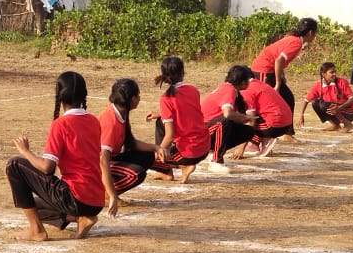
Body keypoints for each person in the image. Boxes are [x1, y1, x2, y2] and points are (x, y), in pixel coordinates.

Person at [6, 71, 113, 240]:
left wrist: (26, 152)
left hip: (75, 197)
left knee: (14, 165)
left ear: (59, 96)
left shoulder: (61, 124)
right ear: (83, 95)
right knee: (35, 206)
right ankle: (80, 218)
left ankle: (36, 230)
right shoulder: (94, 121)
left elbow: (48, 168)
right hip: (96, 201)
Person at [99, 77, 171, 197]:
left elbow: (131, 143)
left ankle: (107, 190)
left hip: (109, 159)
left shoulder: (122, 111)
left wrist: (155, 148)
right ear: (132, 99)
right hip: (96, 164)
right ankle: (103, 194)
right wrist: (112, 195)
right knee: (136, 174)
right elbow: (103, 159)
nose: (139, 98)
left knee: (147, 156)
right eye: (138, 95)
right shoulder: (110, 120)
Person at [148, 55, 208, 183]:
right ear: (183, 73)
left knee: (144, 159)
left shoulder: (166, 98)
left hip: (189, 153)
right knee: (160, 122)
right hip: (204, 148)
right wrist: (160, 113)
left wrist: (156, 154)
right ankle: (167, 171)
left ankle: (180, 167)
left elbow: (169, 137)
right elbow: (185, 110)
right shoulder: (193, 90)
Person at [250, 17, 317, 130]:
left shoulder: (294, 39)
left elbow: (278, 58)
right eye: (315, 33)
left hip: (269, 70)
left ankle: (287, 133)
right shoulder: (296, 42)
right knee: (263, 102)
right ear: (310, 33)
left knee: (288, 98)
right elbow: (278, 60)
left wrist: (281, 75)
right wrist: (278, 82)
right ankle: (255, 135)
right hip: (263, 70)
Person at [201, 65, 261, 175]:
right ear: (242, 82)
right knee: (226, 121)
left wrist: (243, 119)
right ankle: (216, 161)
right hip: (202, 132)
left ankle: (212, 152)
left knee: (248, 131)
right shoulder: (229, 90)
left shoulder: (232, 90)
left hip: (209, 129)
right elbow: (227, 114)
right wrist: (245, 118)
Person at [240, 71, 295, 157]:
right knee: (249, 113)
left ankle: (267, 138)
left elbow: (250, 122)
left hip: (276, 125)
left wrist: (240, 148)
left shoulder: (247, 90)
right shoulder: (259, 84)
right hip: (286, 123)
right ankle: (254, 143)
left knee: (244, 118)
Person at [298, 61, 353, 131]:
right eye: (331, 72)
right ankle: (335, 125)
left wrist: (339, 108)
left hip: (350, 112)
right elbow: (306, 100)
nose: (334, 74)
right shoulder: (318, 85)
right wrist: (301, 115)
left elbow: (352, 99)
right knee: (315, 103)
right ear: (323, 74)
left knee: (324, 105)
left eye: (335, 72)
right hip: (335, 110)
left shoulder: (342, 82)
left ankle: (348, 124)